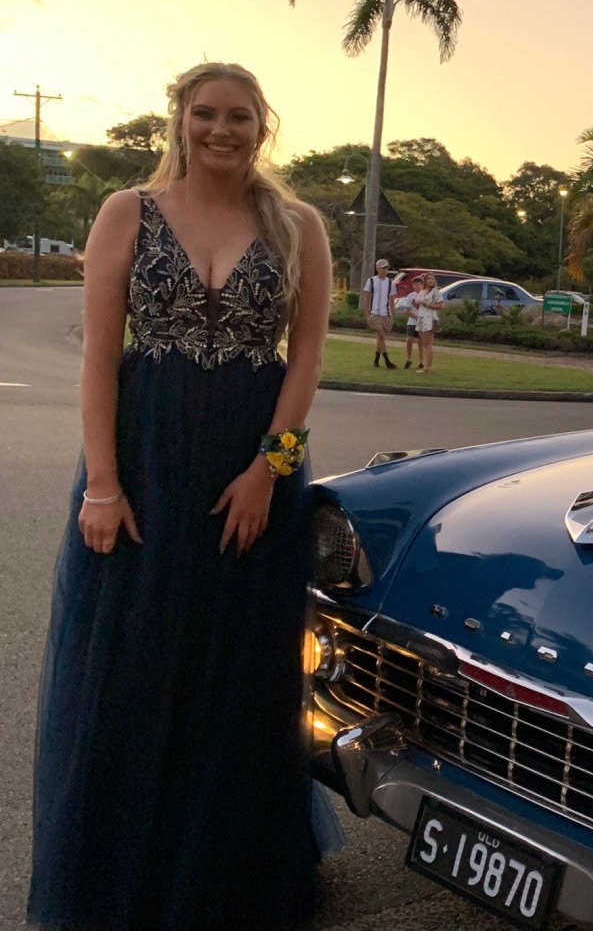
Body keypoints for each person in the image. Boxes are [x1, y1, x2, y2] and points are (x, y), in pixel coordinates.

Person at [29, 62, 337, 930]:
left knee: (237, 673)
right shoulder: (128, 211)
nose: (221, 130)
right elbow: (99, 355)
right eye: (205, 114)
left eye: (239, 116)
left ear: (262, 126)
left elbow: (307, 355)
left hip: (251, 465)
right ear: (180, 120)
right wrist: (101, 481)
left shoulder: (298, 225)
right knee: (128, 670)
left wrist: (269, 469)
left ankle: (223, 882)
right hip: (145, 457)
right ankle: (119, 878)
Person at [361, 257, 397, 367]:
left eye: (386, 268)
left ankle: (376, 358)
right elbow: (367, 297)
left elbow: (392, 299)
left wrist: (392, 313)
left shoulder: (390, 283)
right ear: (377, 268)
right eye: (382, 268)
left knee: (380, 336)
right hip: (375, 312)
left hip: (385, 313)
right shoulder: (371, 281)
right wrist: (367, 314)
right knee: (381, 335)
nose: (385, 270)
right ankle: (387, 360)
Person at [410, 271, 444, 374]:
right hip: (421, 319)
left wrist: (427, 304)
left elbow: (441, 306)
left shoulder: (435, 292)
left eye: (432, 279)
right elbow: (419, 305)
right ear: (424, 280)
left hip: (429, 319)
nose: (430, 280)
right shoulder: (422, 291)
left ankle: (427, 367)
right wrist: (415, 303)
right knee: (424, 343)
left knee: (428, 344)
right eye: (428, 279)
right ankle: (425, 365)